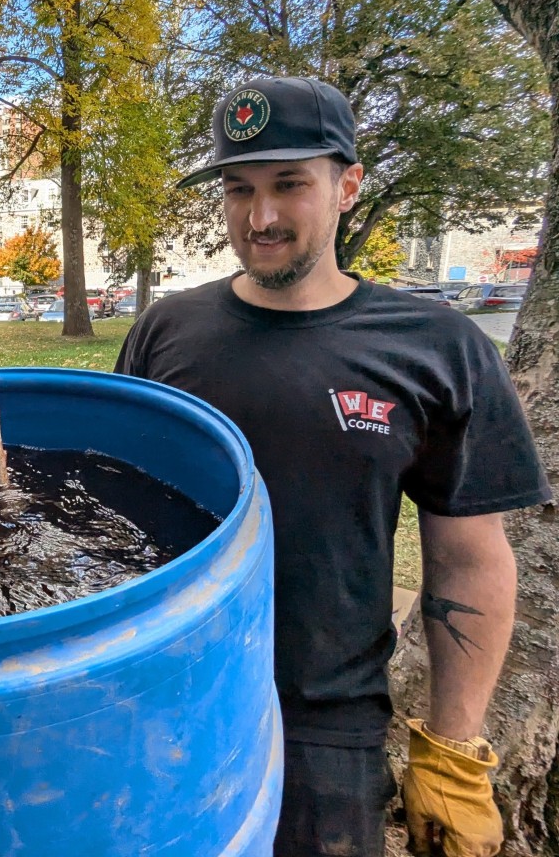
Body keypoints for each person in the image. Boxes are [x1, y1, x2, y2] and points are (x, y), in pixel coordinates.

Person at [115, 76, 550, 857]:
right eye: (239, 189)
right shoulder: (165, 332)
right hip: (161, 704)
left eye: (290, 185)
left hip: (327, 730)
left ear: (347, 186)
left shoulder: (438, 347)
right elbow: (113, 513)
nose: (262, 217)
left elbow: (469, 559)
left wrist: (452, 752)